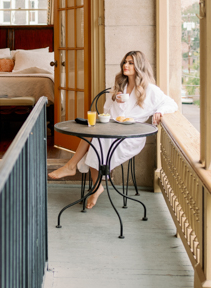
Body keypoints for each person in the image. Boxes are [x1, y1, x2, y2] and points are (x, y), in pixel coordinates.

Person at [48, 50, 177, 209]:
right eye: (125, 62)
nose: (126, 65)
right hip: (112, 128)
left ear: (138, 66)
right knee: (93, 133)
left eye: (130, 63)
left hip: (131, 136)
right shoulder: (120, 85)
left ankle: (79, 172)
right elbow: (106, 109)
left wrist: (160, 111)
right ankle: (91, 181)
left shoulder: (150, 89)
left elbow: (171, 103)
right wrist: (115, 99)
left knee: (97, 141)